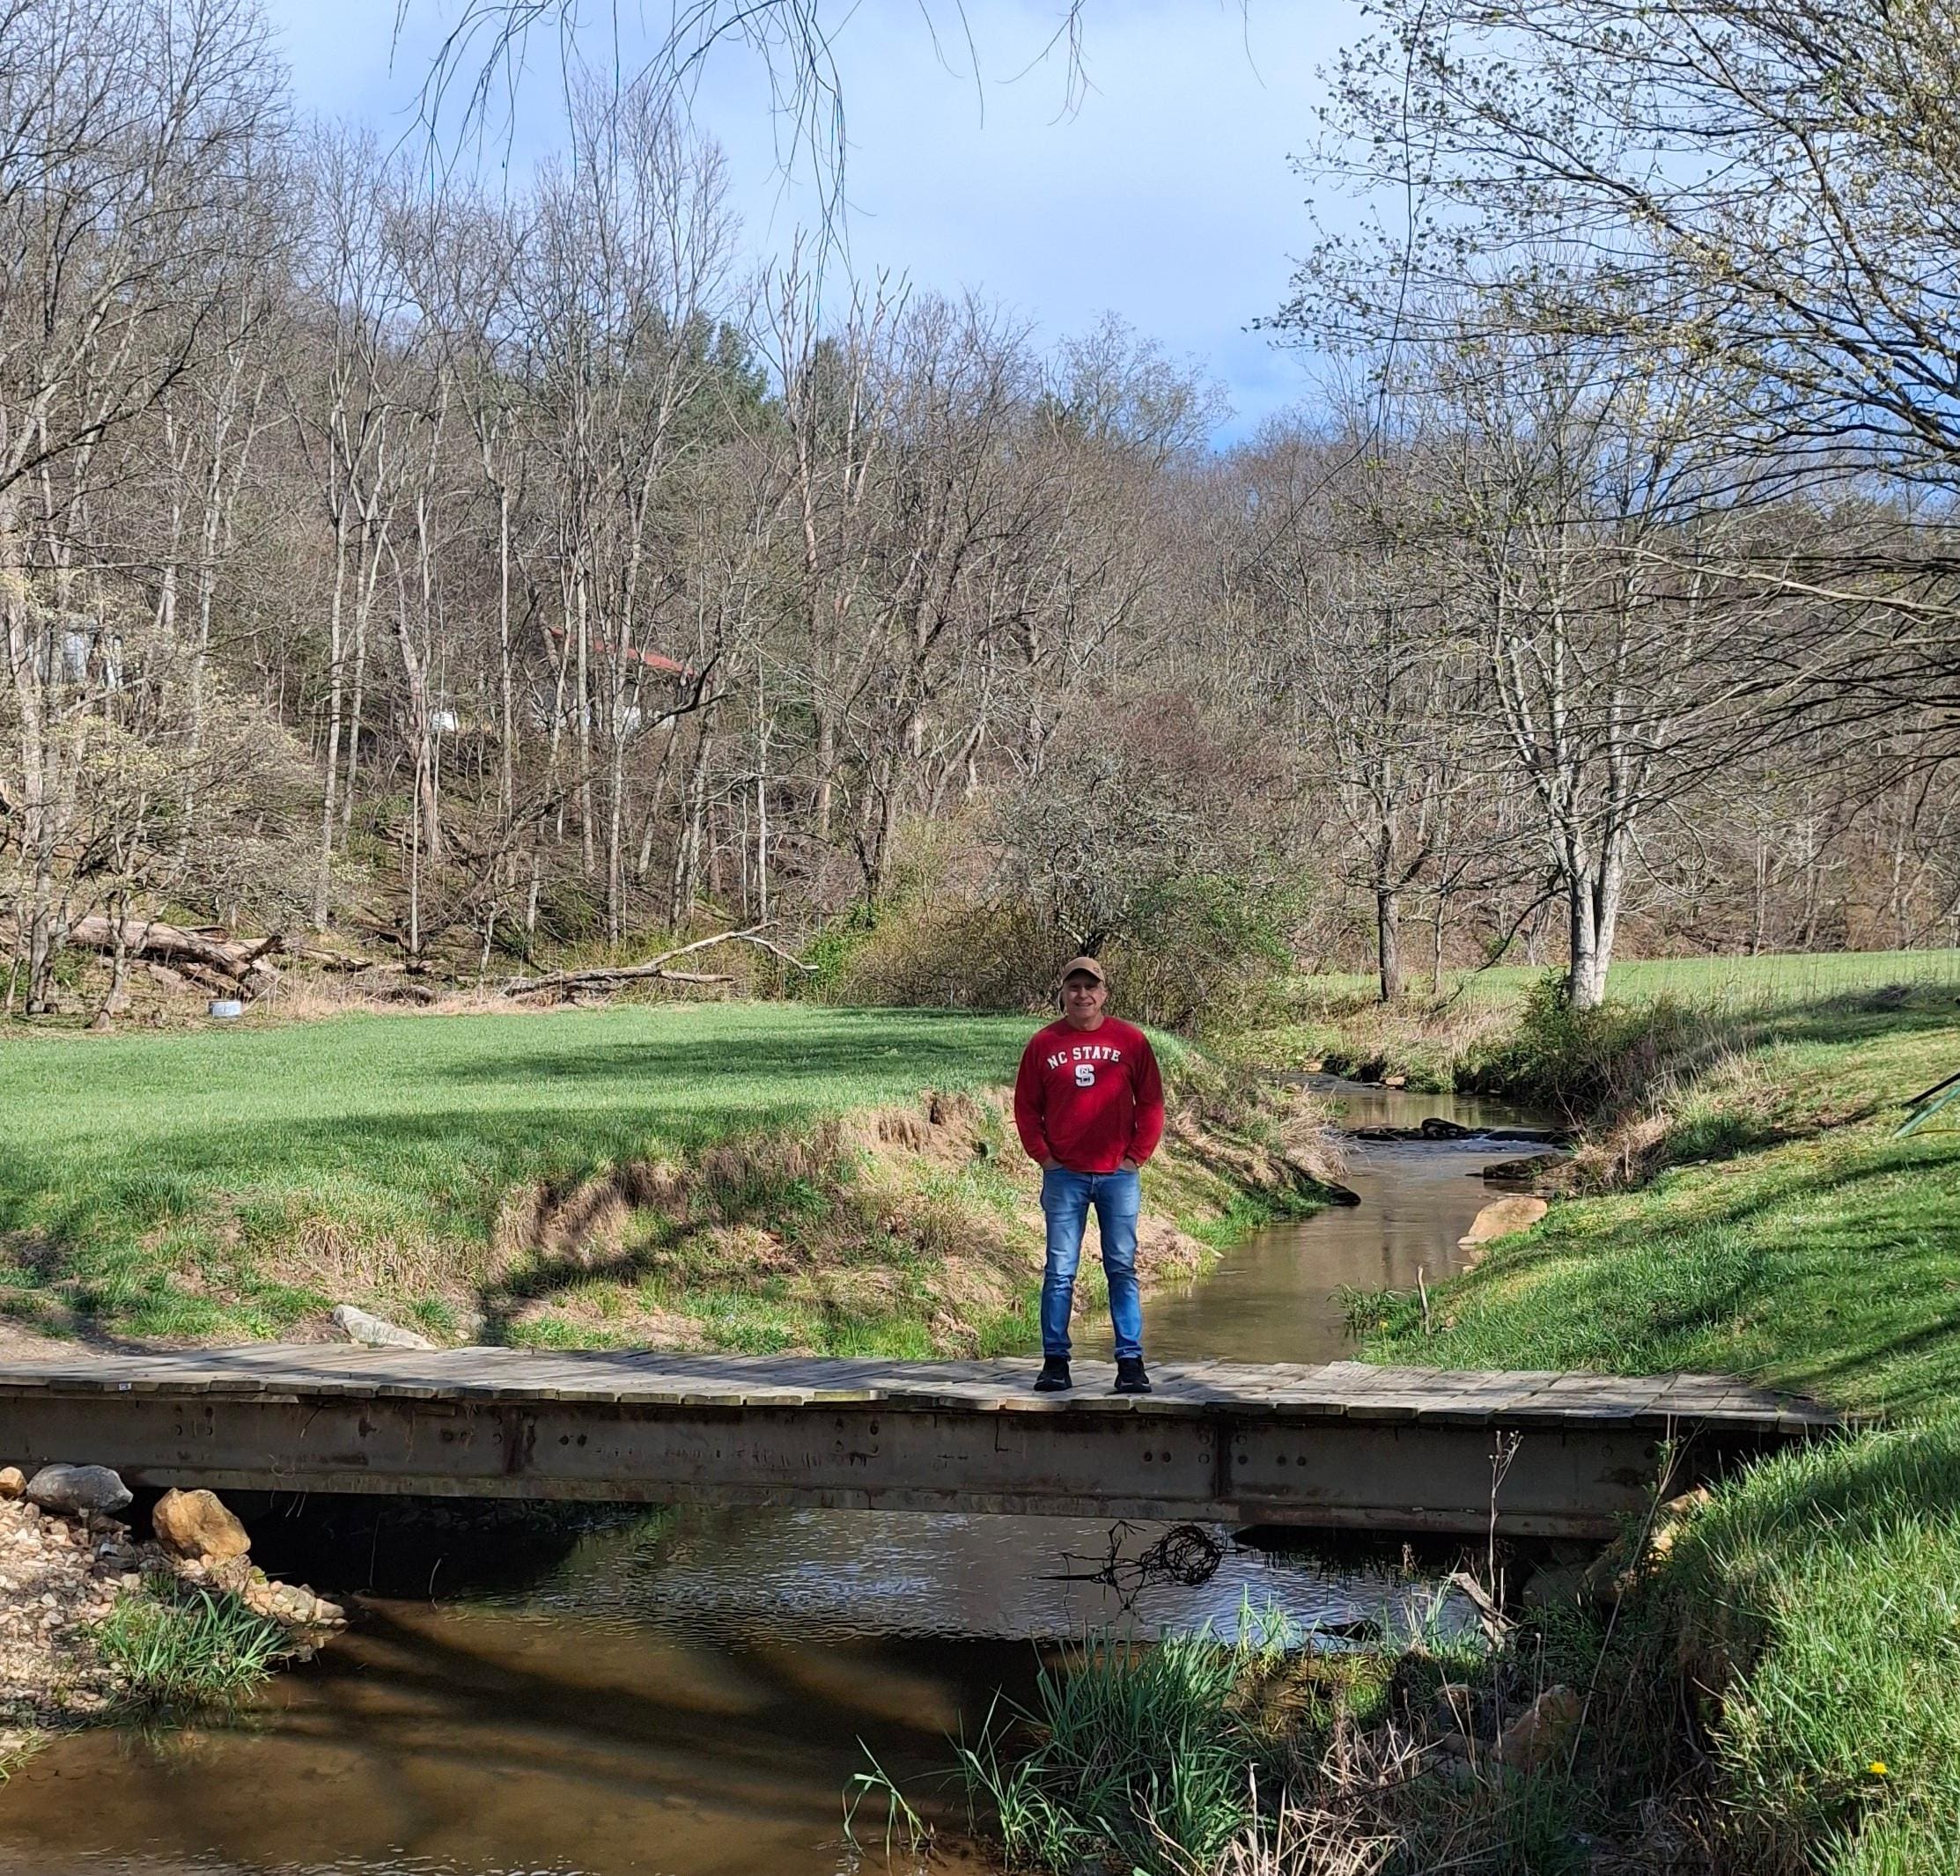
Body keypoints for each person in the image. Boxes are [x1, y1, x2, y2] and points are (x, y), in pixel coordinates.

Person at [1012, 956, 1165, 1394]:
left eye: (1091, 987)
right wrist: (1045, 1158)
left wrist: (1135, 1157)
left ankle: (1130, 1362)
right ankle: (1056, 1362)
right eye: (1074, 987)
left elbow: (1151, 1104)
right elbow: (1026, 1108)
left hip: (1119, 1176)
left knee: (1122, 1267)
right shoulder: (1043, 1044)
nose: (1083, 995)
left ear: (1104, 994)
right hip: (1065, 1178)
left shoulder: (1131, 1041)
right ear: (1062, 993)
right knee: (1060, 1270)